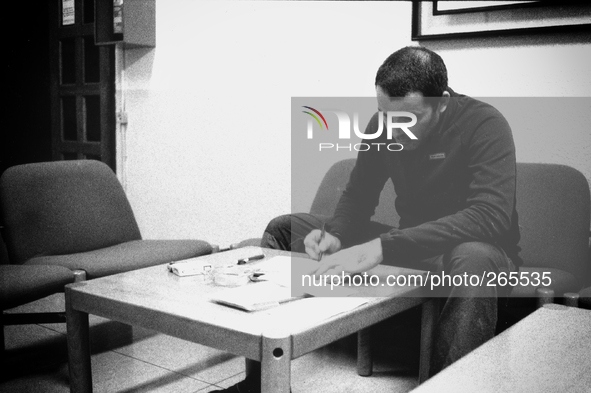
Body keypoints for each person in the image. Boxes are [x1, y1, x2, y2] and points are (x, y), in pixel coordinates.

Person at [215, 45, 521, 393]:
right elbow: (358, 197)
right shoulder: (382, 126)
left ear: (443, 103)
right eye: (385, 114)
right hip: (412, 246)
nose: (394, 129)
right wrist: (337, 235)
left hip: (475, 255)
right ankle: (261, 383)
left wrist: (382, 247)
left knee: (473, 256)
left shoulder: (485, 123)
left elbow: (489, 216)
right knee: (285, 228)